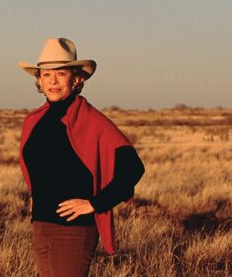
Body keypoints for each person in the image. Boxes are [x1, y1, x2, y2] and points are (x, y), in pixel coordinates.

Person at [18, 38, 145, 276]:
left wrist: (95, 204)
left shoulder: (91, 120)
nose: (53, 81)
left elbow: (133, 168)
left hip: (74, 230)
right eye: (46, 74)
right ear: (39, 80)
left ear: (76, 79)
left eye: (61, 73)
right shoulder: (34, 121)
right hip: (42, 224)